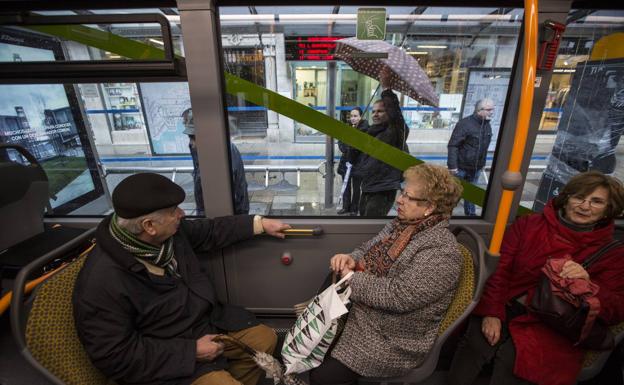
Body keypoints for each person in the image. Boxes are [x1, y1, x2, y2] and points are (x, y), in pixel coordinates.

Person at [73, 172, 291, 385]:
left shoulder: (168, 236)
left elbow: (211, 231)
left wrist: (260, 224)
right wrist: (191, 353)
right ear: (149, 225)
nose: (181, 214)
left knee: (264, 339)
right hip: (167, 357)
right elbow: (115, 356)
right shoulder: (102, 281)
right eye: (173, 211)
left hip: (203, 324)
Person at [448, 171, 624, 385]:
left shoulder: (612, 253)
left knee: (516, 361)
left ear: (608, 209)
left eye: (596, 202)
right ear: (566, 198)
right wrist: (492, 312)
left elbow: (616, 310)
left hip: (554, 321)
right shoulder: (529, 225)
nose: (585, 206)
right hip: (507, 303)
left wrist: (589, 285)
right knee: (475, 344)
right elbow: (500, 271)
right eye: (579, 197)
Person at [310, 164, 464, 384]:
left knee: (323, 377)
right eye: (402, 192)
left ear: (429, 207)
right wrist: (351, 258)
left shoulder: (441, 252)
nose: (399, 200)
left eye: (408, 197)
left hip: (394, 336)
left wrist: (351, 277)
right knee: (330, 283)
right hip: (371, 315)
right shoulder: (402, 224)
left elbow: (398, 296)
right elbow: (367, 248)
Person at [355, 67, 410, 217]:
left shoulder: (395, 131)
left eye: (380, 111)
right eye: (373, 111)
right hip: (367, 186)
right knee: (362, 221)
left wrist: (386, 88)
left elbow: (396, 116)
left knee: (369, 227)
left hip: (383, 188)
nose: (375, 114)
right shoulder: (371, 131)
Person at [182, 108, 249, 215]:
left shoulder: (226, 152)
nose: (191, 143)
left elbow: (239, 187)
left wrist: (242, 216)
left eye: (193, 137)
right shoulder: (198, 148)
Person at [447, 98, 494, 216]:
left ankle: (471, 216)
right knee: (453, 195)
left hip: (476, 168)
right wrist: (452, 166)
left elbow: (484, 147)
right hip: (461, 168)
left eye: (492, 109)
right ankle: (444, 216)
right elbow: (453, 145)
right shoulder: (464, 124)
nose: (492, 112)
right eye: (489, 109)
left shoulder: (487, 125)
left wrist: (482, 164)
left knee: (471, 195)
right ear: (479, 110)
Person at [337, 107, 369, 215]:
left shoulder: (365, 130)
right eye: (351, 116)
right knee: (345, 186)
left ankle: (354, 209)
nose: (353, 118)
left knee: (356, 188)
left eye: (355, 116)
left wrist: (352, 147)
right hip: (346, 162)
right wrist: (348, 148)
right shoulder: (347, 129)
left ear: (361, 117)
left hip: (358, 163)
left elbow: (362, 147)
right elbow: (341, 143)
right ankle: (346, 207)